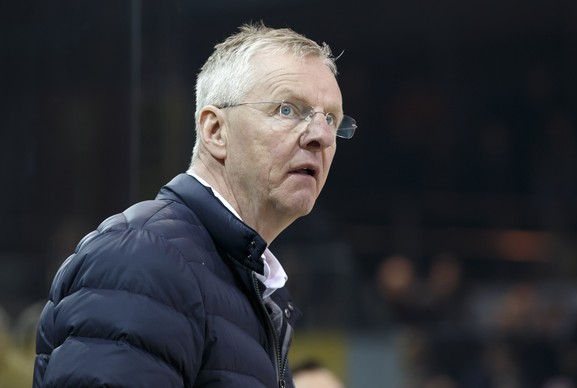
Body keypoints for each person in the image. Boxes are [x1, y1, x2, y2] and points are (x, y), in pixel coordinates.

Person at [33, 21, 356, 388]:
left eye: (331, 119)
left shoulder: (249, 283)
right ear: (215, 131)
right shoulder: (143, 259)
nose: (320, 136)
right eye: (287, 109)